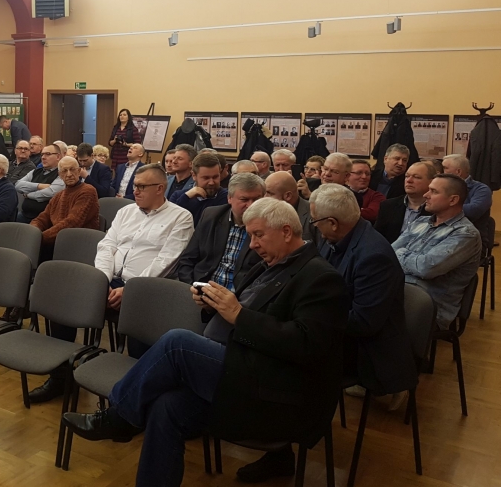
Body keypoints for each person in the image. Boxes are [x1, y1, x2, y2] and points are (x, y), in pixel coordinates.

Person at [62, 198, 349, 487]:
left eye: (258, 235)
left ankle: (119, 417)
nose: (252, 245)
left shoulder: (321, 278)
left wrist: (238, 314)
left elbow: (306, 345)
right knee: (165, 406)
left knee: (177, 342)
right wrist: (215, 306)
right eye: (250, 236)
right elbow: (247, 313)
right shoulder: (270, 264)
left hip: (273, 389)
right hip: (237, 367)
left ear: (286, 232)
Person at [28, 164, 193, 404]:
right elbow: (106, 246)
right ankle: (61, 378)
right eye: (134, 185)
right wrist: (102, 280)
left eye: (141, 187)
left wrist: (131, 289)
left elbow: (166, 260)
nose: (135, 191)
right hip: (109, 279)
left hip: (148, 289)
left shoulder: (180, 217)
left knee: (141, 327)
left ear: (160, 188)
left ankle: (134, 396)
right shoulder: (126, 211)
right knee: (63, 302)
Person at [309, 185, 417, 411]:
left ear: (333, 223)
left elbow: (364, 322)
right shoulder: (337, 237)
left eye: (315, 221)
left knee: (287, 357)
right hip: (342, 328)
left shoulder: (374, 256)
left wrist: (313, 315)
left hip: (367, 348)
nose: (314, 226)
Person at [393, 174, 482, 329]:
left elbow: (426, 268)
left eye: (433, 191)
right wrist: (410, 259)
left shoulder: (466, 234)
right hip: (399, 293)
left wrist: (401, 253)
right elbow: (389, 253)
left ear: (453, 200)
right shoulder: (420, 222)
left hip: (428, 308)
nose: (426, 195)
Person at [175, 173, 266, 287]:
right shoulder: (211, 216)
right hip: (203, 287)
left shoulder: (269, 226)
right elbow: (187, 260)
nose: (251, 205)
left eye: (257, 200)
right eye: (244, 199)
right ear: (229, 198)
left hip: (241, 293)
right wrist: (191, 287)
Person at [31, 156, 100, 256]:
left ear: (79, 171)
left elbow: (72, 222)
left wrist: (41, 237)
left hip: (79, 244)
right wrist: (32, 232)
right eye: (64, 171)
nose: (69, 174)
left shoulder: (88, 191)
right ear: (60, 175)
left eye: (72, 169)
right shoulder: (58, 195)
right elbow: (43, 218)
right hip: (57, 241)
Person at [374, 161, 436, 244]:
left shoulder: (437, 209)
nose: (409, 180)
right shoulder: (388, 206)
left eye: (416, 177)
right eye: (407, 176)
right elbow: (377, 238)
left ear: (431, 182)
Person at [170, 153, 228, 225]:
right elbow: (170, 221)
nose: (211, 182)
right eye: (206, 178)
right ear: (194, 175)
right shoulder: (178, 196)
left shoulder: (227, 197)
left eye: (215, 177)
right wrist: (186, 197)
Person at [265, 171, 320, 246]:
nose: (265, 197)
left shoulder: (314, 215)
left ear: (288, 196)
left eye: (270, 193)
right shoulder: (264, 212)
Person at [16, 145, 64, 221]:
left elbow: (50, 193)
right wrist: (39, 186)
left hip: (45, 219)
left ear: (58, 156)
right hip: (24, 215)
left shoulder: (62, 174)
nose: (43, 157)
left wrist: (28, 195)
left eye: (47, 154)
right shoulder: (35, 171)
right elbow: (18, 185)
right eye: (42, 154)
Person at [442, 154, 492, 226]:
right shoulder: (441, 186)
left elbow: (473, 211)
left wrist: (442, 206)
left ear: (458, 172)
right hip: (442, 228)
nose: (442, 172)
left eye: (445, 168)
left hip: (470, 230)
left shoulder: (481, 189)